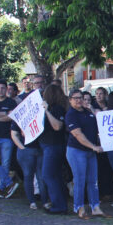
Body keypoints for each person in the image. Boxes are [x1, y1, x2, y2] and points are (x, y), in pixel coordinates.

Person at [65, 88, 106, 218]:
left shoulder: (88, 112)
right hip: (77, 151)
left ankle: (95, 207)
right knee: (80, 181)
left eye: (80, 98)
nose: (78, 100)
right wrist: (93, 146)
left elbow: (101, 125)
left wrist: (93, 111)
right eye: (75, 98)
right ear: (70, 100)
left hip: (90, 152)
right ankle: (79, 208)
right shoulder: (71, 115)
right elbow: (78, 134)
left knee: (93, 181)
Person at [39, 83, 69, 214]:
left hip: (53, 146)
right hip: (47, 146)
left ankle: (58, 206)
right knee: (55, 176)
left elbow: (57, 126)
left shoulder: (57, 109)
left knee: (48, 175)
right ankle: (60, 203)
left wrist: (47, 111)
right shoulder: (52, 108)